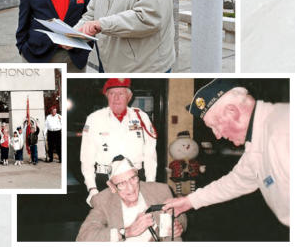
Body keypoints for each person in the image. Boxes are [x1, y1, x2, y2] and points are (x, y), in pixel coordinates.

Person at [162, 79, 289, 227]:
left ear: (232, 112)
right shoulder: (258, 138)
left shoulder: (282, 131)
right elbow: (237, 181)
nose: (217, 135)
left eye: (215, 125)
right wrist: (189, 201)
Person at [80, 78, 158, 206]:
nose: (116, 98)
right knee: (109, 223)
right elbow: (86, 157)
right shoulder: (94, 119)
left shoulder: (141, 117)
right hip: (104, 180)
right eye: (112, 94)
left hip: (136, 179)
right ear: (107, 96)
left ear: (129, 96)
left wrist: (150, 183)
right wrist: (92, 188)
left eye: (121, 94)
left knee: (138, 220)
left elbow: (150, 154)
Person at [76, 155, 186, 242]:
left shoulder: (160, 190)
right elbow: (83, 237)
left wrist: (178, 225)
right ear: (112, 187)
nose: (130, 188)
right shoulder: (103, 200)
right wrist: (127, 232)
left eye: (133, 178)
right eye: (122, 183)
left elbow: (180, 215)